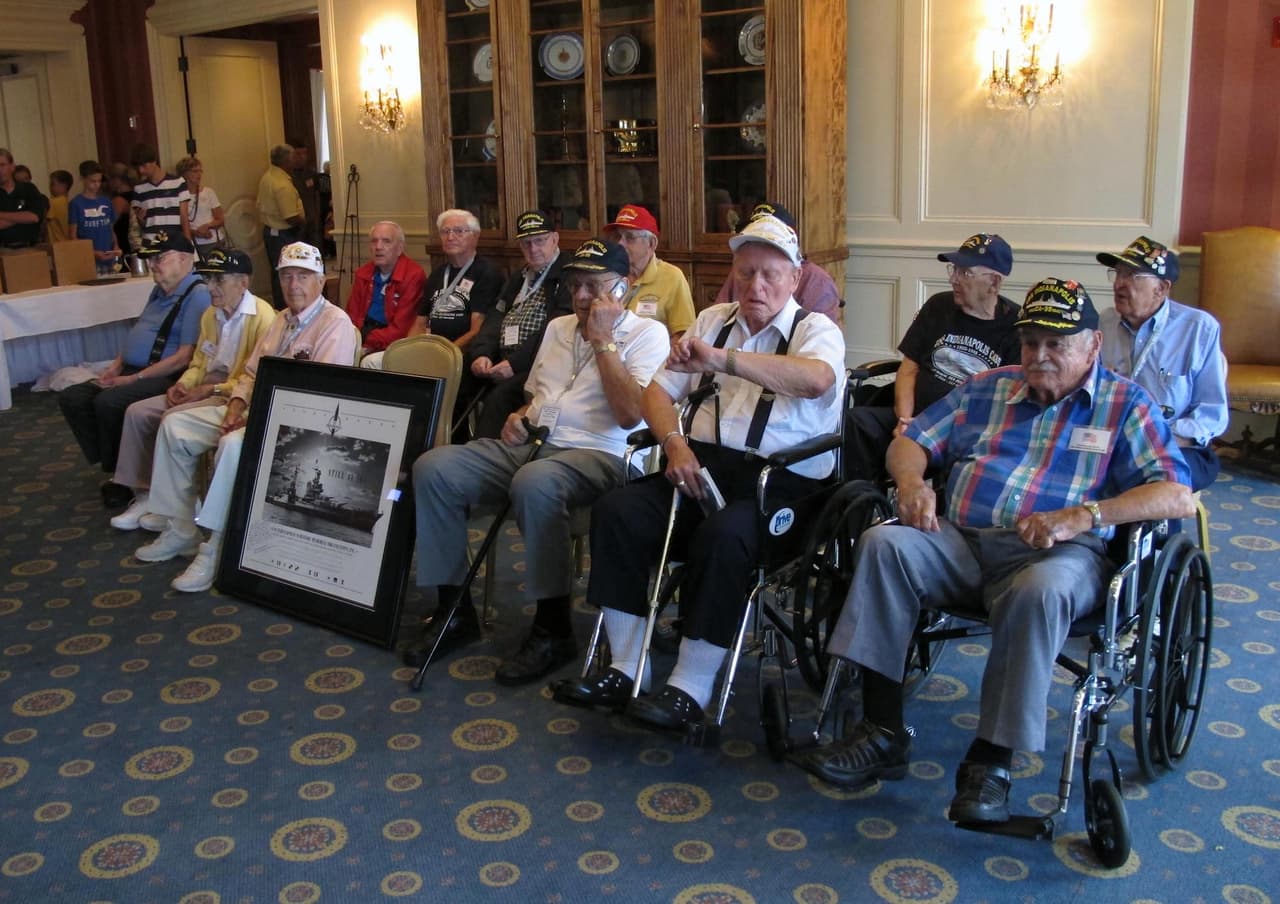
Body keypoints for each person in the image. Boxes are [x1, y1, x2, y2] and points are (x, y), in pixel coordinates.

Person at [791, 278, 1193, 827]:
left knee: (1038, 591)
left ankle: (990, 762)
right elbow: (911, 440)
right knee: (884, 543)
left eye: (1057, 344)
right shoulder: (989, 388)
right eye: (1030, 342)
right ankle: (882, 731)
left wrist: (1086, 515)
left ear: (1093, 345)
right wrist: (911, 485)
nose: (1040, 356)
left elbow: (1175, 494)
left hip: (1059, 556)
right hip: (963, 540)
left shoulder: (1126, 406)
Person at [552, 214, 846, 727]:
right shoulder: (714, 319)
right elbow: (656, 392)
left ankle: (690, 686)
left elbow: (816, 380)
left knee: (726, 534)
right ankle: (627, 668)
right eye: (746, 272)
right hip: (700, 467)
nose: (755, 285)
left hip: (784, 483)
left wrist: (723, 361)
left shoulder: (814, 329)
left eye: (769, 274)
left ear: (794, 279)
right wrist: (673, 443)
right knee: (617, 511)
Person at [404, 238, 670, 685]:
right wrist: (520, 417)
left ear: (623, 287)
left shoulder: (648, 334)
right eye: (575, 285)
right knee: (434, 468)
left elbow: (630, 414)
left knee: (536, 481)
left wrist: (603, 342)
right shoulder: (557, 327)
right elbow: (541, 396)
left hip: (606, 453)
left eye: (594, 286)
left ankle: (553, 627)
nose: (581, 296)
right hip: (534, 444)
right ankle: (454, 611)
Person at [135, 242, 357, 593]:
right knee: (175, 426)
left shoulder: (335, 324)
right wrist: (236, 407)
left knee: (233, 446)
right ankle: (181, 529)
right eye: (287, 276)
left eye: (303, 277)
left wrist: (254, 417)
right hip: (254, 409)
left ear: (321, 282)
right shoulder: (282, 320)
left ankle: (216, 547)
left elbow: (322, 393)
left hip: (297, 425)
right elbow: (251, 373)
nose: (294, 285)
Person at [109, 249, 276, 532]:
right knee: (137, 413)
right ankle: (145, 494)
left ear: (243, 283)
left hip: (229, 392)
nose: (210, 287)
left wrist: (210, 388)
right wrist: (184, 384)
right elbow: (200, 361)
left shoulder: (263, 317)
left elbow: (254, 377)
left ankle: (178, 506)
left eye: (218, 280)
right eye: (209, 279)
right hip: (204, 386)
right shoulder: (211, 315)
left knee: (171, 418)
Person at [846, 233, 1022, 480]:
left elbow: (1005, 403)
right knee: (857, 423)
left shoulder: (1016, 328)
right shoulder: (938, 306)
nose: (954, 279)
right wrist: (905, 419)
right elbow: (908, 369)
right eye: (954, 270)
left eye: (965, 273)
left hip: (964, 430)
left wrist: (932, 432)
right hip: (911, 418)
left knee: (965, 458)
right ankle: (864, 509)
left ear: (994, 282)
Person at [57, 231, 211, 504]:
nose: (153, 264)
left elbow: (183, 357)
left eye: (160, 258)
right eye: (151, 259)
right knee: (73, 397)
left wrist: (133, 379)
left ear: (185, 259)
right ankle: (115, 464)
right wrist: (116, 367)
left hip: (164, 374)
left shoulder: (197, 294)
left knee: (109, 402)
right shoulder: (158, 291)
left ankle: (124, 479)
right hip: (131, 369)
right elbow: (139, 332)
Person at [1097, 236, 1228, 490]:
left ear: (1162, 288)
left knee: (1155, 479)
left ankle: (1156, 530)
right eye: (1118, 273)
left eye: (1133, 275)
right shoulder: (1105, 323)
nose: (1119, 284)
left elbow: (1211, 415)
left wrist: (1156, 436)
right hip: (1113, 442)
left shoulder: (1198, 329)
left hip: (1177, 444)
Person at [459, 210, 573, 439]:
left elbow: (556, 328)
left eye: (540, 241)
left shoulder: (567, 274)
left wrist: (514, 363)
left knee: (500, 397)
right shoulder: (520, 276)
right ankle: (449, 444)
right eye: (526, 243)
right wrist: (482, 354)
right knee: (455, 380)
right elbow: (496, 316)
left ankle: (483, 457)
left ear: (555, 239)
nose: (533, 249)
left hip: (537, 361)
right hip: (502, 359)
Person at [714, 202, 841, 323]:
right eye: (754, 232)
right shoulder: (741, 272)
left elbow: (820, 337)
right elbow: (719, 318)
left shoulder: (818, 281)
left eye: (770, 274)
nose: (755, 286)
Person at [405, 209, 504, 352]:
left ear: (475, 236)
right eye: (445, 231)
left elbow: (477, 330)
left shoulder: (486, 273)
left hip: (461, 353)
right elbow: (420, 323)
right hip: (430, 349)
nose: (450, 237)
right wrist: (408, 350)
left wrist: (447, 353)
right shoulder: (438, 274)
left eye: (459, 231)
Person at [603, 204, 696, 338]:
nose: (620, 244)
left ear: (651, 244)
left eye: (629, 237)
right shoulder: (608, 274)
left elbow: (683, 336)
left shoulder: (672, 277)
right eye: (617, 236)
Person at [344, 221, 427, 363]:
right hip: (362, 334)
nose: (378, 247)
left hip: (392, 342)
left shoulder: (413, 275)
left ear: (400, 248)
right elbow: (351, 315)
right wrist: (354, 339)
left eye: (386, 241)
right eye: (374, 241)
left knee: (365, 362)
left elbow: (401, 330)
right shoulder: (363, 273)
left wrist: (364, 339)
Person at [257, 144, 306, 309]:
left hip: (272, 233)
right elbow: (290, 217)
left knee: (278, 273)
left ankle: (281, 307)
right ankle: (287, 308)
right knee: (286, 273)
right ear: (287, 160)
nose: (296, 159)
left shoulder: (268, 176)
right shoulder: (281, 184)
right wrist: (304, 222)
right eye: (293, 157)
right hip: (283, 235)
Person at [69, 160, 121, 275]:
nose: (97, 184)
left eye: (99, 181)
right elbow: (73, 237)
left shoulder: (106, 201)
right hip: (88, 261)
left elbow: (111, 229)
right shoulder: (76, 203)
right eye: (93, 181)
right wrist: (92, 252)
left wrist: (116, 245)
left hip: (109, 257)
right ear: (82, 179)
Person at [130, 144, 185, 242]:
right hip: (150, 242)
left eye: (144, 166)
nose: (141, 170)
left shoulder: (178, 182)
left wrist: (188, 244)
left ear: (154, 161)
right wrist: (140, 219)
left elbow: (184, 218)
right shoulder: (138, 189)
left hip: (174, 241)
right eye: (138, 167)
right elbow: (141, 224)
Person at [176, 156, 225, 258]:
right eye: (195, 171)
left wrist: (207, 226)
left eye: (200, 171)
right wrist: (195, 233)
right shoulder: (178, 196)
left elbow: (220, 219)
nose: (199, 174)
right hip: (193, 243)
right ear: (185, 173)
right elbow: (178, 224)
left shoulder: (208, 192)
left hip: (213, 242)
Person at [0, 148, 49, 247]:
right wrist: (22, 217)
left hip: (32, 248)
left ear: (12, 166)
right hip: (3, 251)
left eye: (2, 165)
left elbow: (34, 217)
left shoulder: (28, 189)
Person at [45, 170, 73, 242]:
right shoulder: (70, 203)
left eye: (52, 184)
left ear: (63, 185)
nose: (50, 187)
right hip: (69, 243)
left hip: (58, 245)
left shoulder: (54, 202)